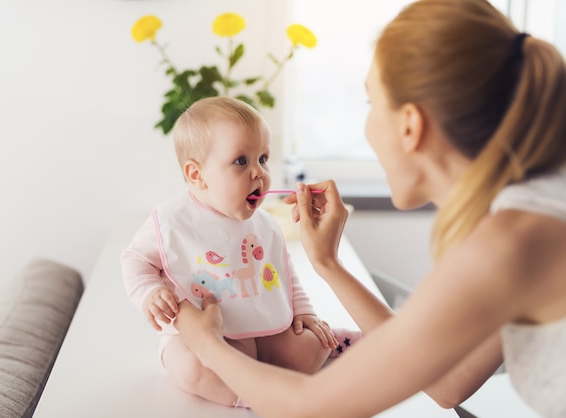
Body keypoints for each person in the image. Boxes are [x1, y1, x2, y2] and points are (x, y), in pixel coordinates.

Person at [173, 0, 566, 417]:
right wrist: (327, 262)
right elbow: (448, 382)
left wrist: (205, 345)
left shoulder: (510, 242)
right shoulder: (536, 207)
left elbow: (309, 406)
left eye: (370, 105)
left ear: (410, 126)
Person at [120, 96, 362, 408]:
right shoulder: (170, 222)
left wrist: (304, 311)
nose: (258, 172)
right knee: (189, 367)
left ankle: (335, 344)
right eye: (241, 161)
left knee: (305, 347)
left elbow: (280, 271)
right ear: (197, 175)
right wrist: (149, 293)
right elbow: (134, 259)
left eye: (263, 158)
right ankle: (253, 398)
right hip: (200, 336)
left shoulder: (263, 223)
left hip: (260, 328)